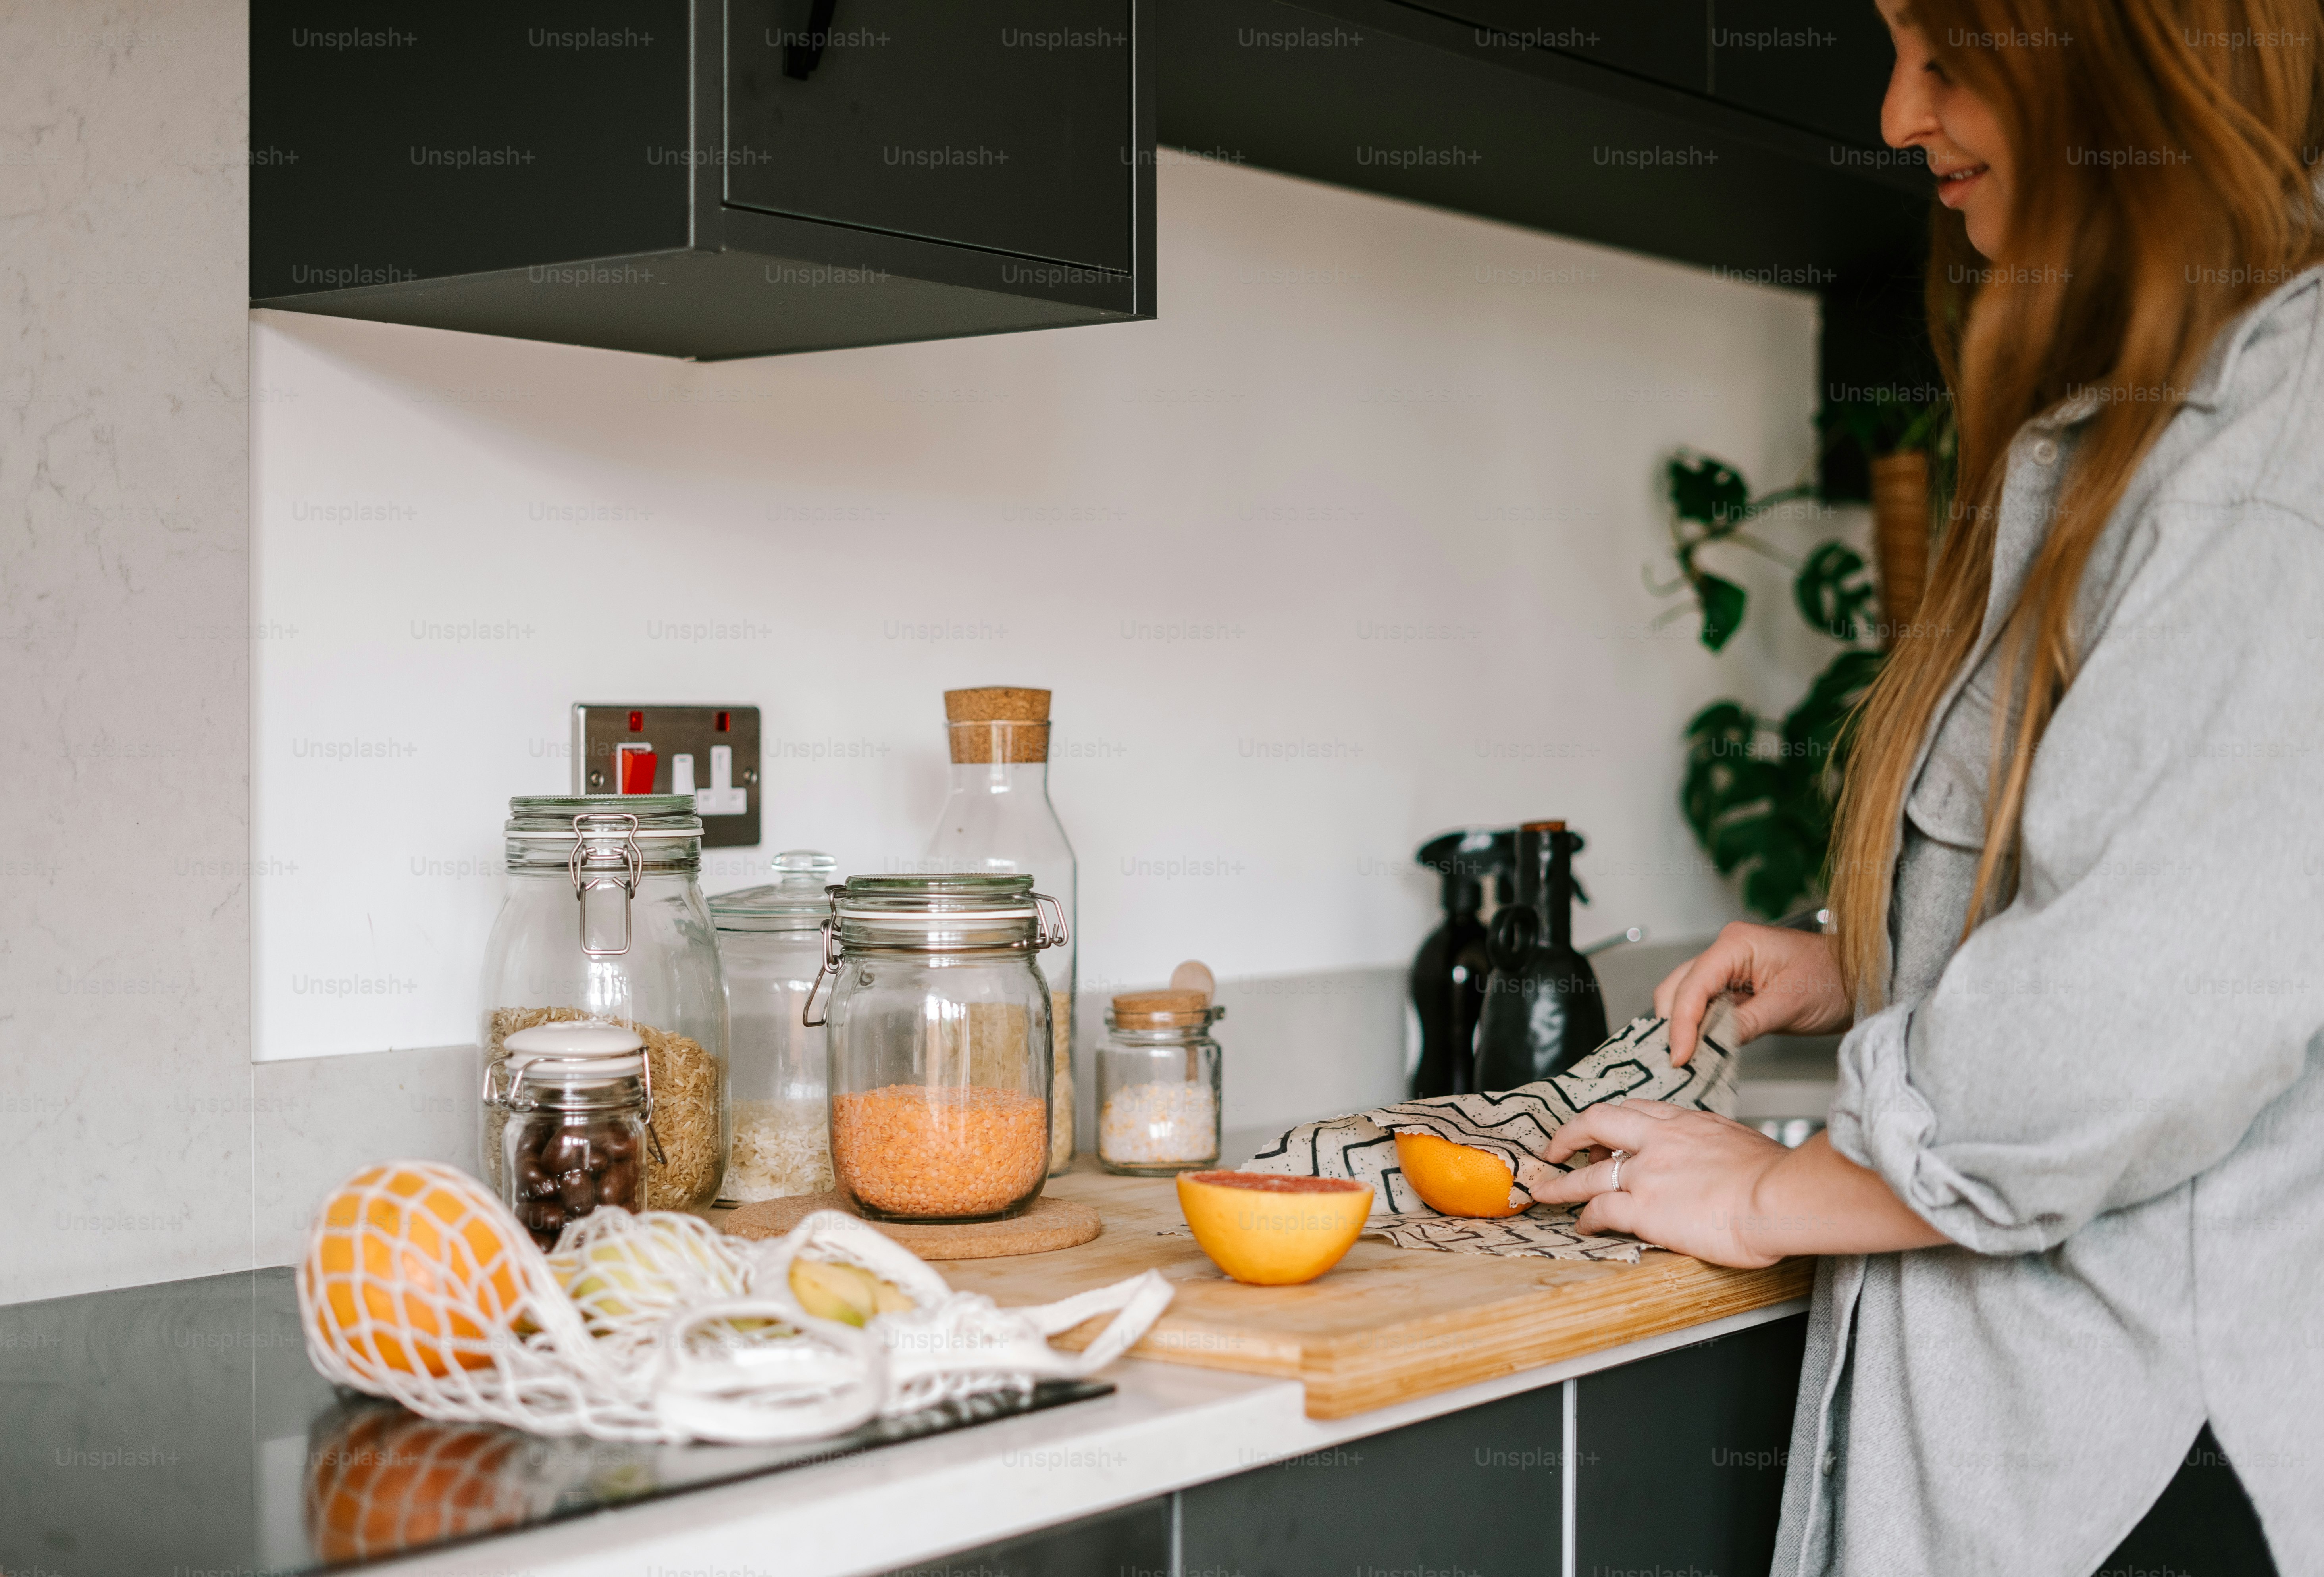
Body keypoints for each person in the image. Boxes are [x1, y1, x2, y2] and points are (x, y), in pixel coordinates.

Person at [1532, 2, 2324, 1573]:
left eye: (1946, 54)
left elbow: (2140, 1014)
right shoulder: (2160, 409)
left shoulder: (2272, 438)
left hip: (2143, 1479)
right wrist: (1884, 955)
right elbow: (2180, 872)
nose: (1899, 114)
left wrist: (1771, 1192)